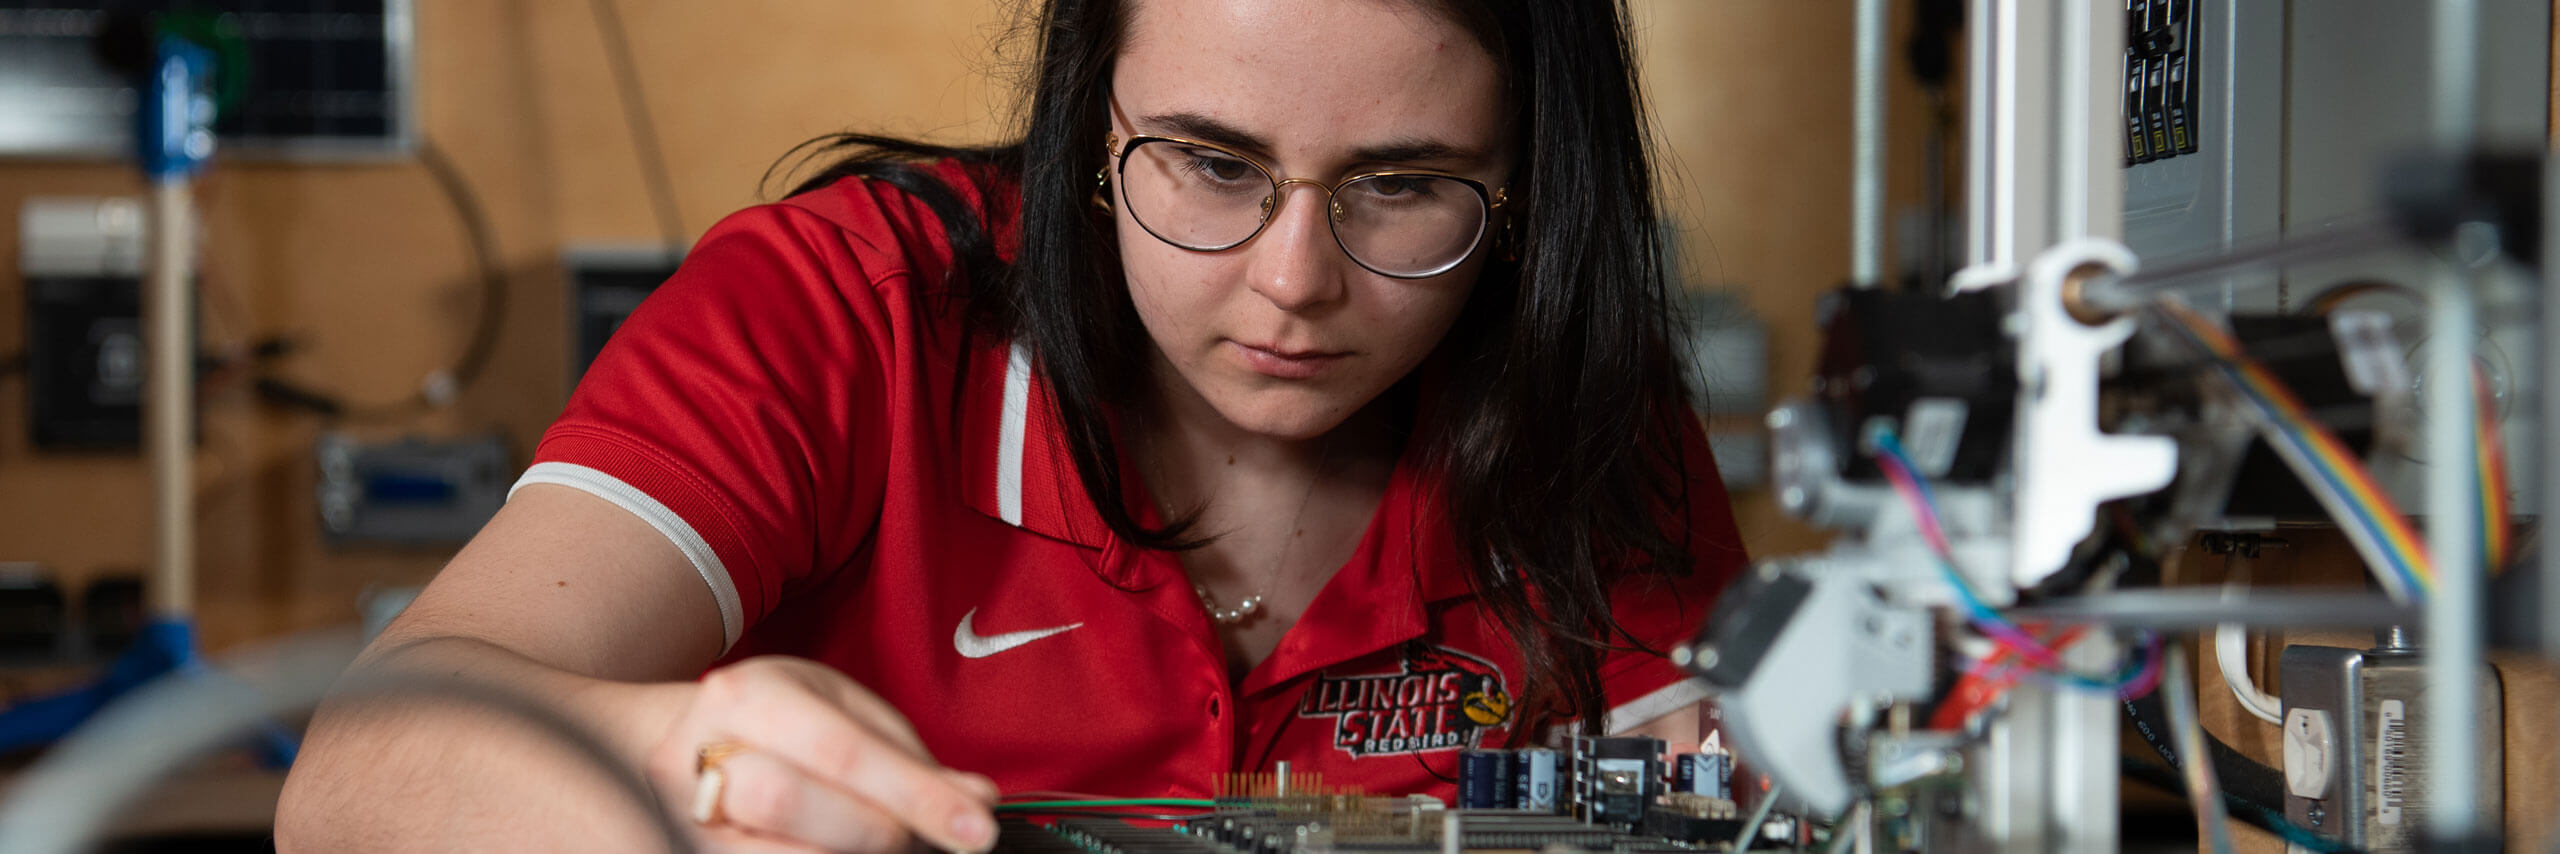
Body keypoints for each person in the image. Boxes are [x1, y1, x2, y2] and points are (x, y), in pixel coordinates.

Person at [276, 0, 1749, 850]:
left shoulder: (1581, 417)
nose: (1294, 282)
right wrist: (670, 762)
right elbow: (353, 778)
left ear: (1533, 199)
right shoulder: (846, 309)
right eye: (1209, 162)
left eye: (1405, 185)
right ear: (1089, 125)